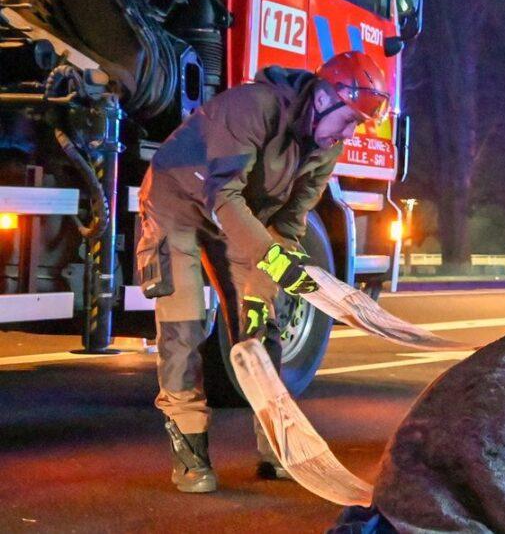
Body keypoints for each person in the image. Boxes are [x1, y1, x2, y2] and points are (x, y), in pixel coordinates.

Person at [136, 51, 390, 493]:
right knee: (185, 324)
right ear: (326, 99)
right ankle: (190, 452)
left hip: (238, 214)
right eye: (348, 120)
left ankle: (278, 449)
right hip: (179, 202)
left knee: (261, 325)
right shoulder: (252, 108)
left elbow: (288, 225)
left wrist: (262, 285)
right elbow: (223, 198)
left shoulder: (325, 149)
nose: (349, 133)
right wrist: (271, 259)